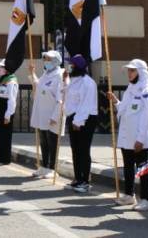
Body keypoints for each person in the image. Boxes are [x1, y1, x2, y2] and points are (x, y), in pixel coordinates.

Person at [107, 59, 148, 211]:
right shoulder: (130, 89)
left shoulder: (147, 92)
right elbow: (124, 109)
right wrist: (116, 101)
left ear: (141, 72)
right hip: (127, 138)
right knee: (128, 168)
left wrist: (141, 139)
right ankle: (129, 195)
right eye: (128, 71)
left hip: (139, 140)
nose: (129, 73)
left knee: (143, 170)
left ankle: (146, 199)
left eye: (133, 70)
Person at [30, 50, 67, 180]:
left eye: (48, 59)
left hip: (52, 115)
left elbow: (61, 98)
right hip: (42, 114)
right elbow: (38, 85)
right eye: (44, 59)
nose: (45, 61)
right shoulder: (46, 74)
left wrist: (55, 116)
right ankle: (44, 166)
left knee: (52, 142)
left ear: (56, 60)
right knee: (44, 141)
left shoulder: (60, 75)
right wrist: (32, 73)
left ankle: (52, 168)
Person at [64, 54, 98, 194]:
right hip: (74, 117)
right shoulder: (73, 80)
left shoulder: (88, 82)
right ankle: (78, 178)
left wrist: (78, 121)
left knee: (83, 150)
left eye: (71, 65)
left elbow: (86, 104)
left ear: (77, 67)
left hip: (85, 119)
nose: (69, 67)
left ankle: (85, 181)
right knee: (75, 149)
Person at [0, 60, 18, 164]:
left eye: (1, 67)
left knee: (4, 135)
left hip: (6, 109)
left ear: (6, 69)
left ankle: (4, 159)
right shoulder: (2, 80)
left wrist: (8, 115)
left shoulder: (11, 81)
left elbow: (12, 99)